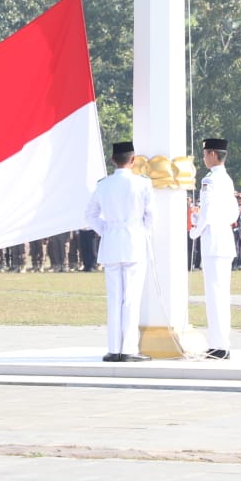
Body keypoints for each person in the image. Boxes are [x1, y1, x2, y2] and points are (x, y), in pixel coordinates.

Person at [85, 140, 154, 363]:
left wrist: (106, 230)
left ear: (113, 160)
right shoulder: (143, 184)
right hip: (134, 242)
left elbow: (90, 215)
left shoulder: (103, 185)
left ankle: (114, 348)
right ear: (133, 160)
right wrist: (141, 232)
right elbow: (151, 216)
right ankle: (129, 349)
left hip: (112, 243)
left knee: (114, 299)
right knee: (131, 299)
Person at [188, 138, 239, 360]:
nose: (204, 158)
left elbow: (207, 211)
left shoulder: (209, 179)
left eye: (205, 153)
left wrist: (195, 231)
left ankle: (219, 346)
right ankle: (221, 343)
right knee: (221, 295)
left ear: (212, 154)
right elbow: (234, 212)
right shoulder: (227, 179)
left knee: (215, 296)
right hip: (224, 238)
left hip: (214, 241)